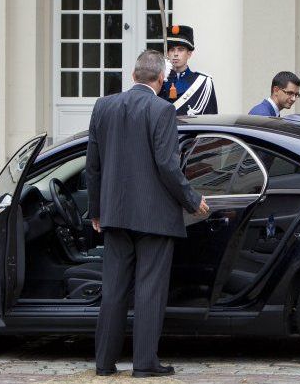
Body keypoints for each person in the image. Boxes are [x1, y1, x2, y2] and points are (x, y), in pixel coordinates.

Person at [87, 50, 210, 378]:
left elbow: (93, 167)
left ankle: (104, 363)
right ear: (160, 80)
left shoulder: (103, 106)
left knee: (113, 290)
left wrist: (95, 211)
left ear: (133, 75)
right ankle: (144, 364)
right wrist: (192, 199)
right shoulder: (162, 110)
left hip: (114, 214)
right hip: (155, 217)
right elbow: (167, 165)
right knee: (149, 291)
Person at [156, 25, 218, 115]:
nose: (175, 54)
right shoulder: (160, 81)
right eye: (172, 50)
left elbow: (211, 119)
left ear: (189, 54)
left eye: (180, 50)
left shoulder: (203, 83)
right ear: (167, 54)